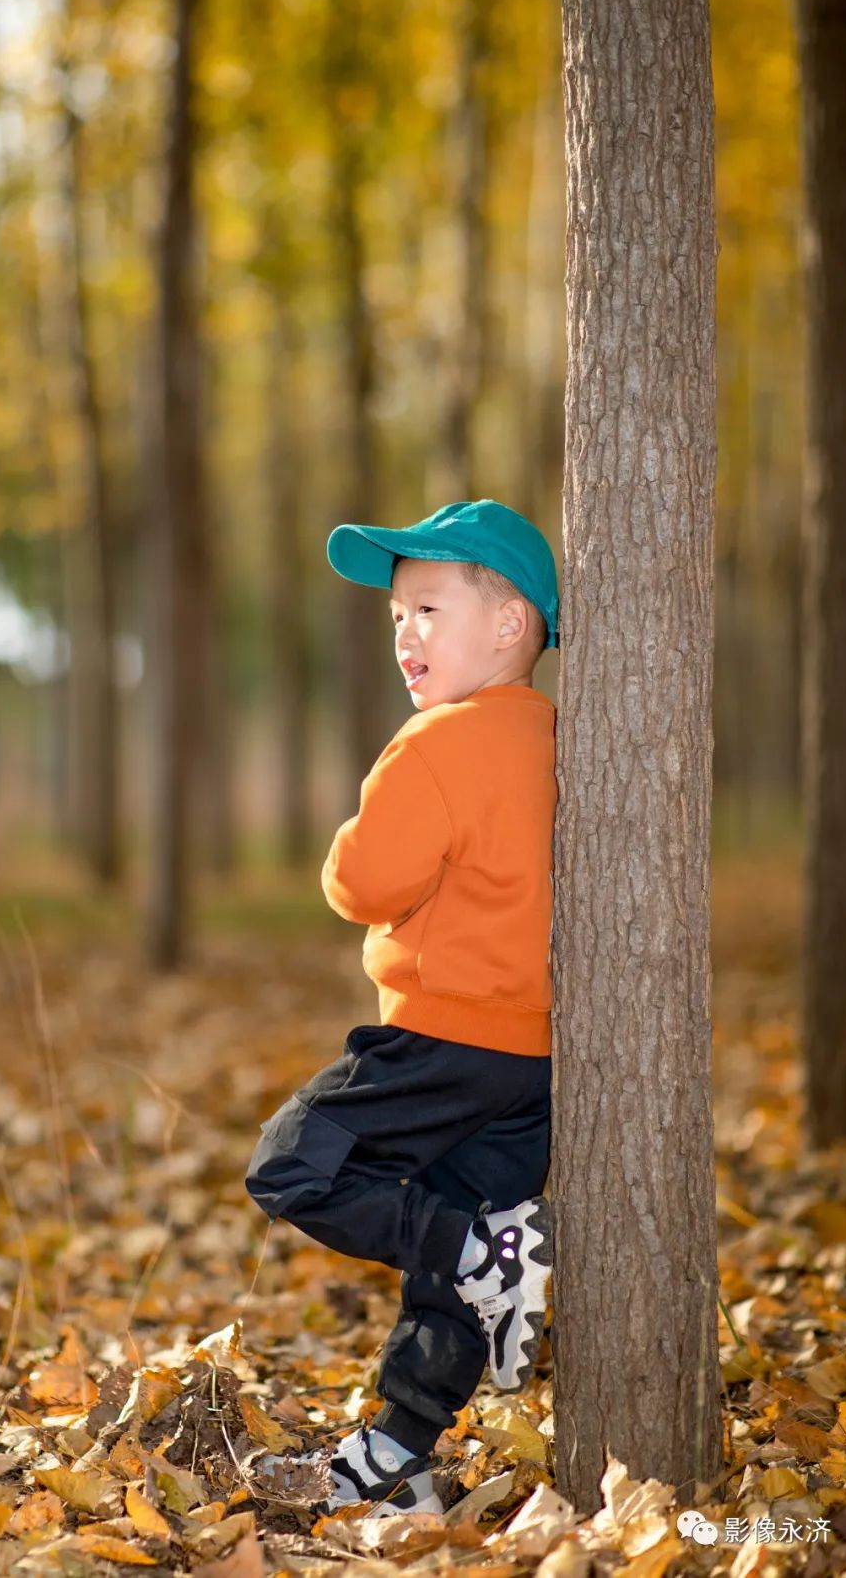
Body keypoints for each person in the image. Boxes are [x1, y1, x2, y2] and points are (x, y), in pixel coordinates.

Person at [245, 500, 559, 1517]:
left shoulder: (436, 747)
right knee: (454, 1243)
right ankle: (397, 1457)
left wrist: (344, 844)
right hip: (533, 1060)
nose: (404, 635)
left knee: (292, 1162)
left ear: (509, 625)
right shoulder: (562, 736)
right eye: (395, 618)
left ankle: (482, 1255)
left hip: (442, 1036)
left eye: (427, 607)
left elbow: (364, 881)